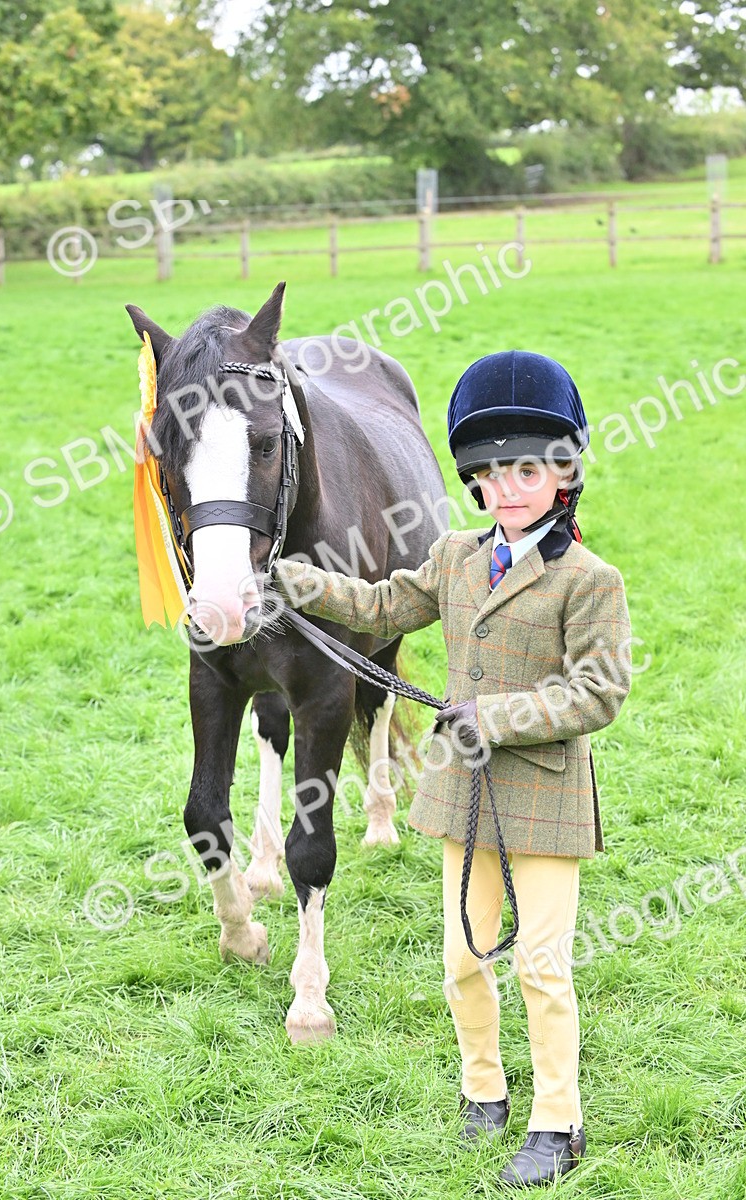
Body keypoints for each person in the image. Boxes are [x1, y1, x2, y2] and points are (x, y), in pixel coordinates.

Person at [273, 350, 632, 1188]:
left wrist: (497, 718)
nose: (510, 489)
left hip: (543, 799)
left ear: (564, 474)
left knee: (542, 966)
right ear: (474, 481)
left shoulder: (592, 580)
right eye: (494, 474)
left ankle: (557, 1120)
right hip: (461, 796)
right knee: (463, 959)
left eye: (529, 472)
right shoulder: (457, 559)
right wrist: (294, 579)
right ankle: (484, 1093)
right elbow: (380, 605)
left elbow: (600, 690)